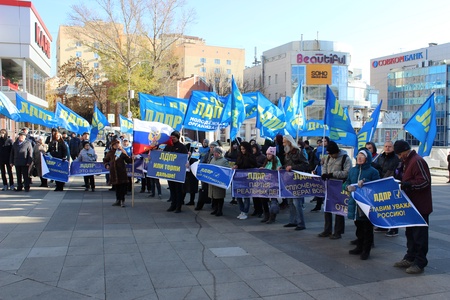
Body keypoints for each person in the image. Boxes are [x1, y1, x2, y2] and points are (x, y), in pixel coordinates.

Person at [392, 140, 432, 274]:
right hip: (410, 205)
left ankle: (420, 261)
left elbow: (425, 181)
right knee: (410, 234)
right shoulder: (406, 162)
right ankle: (410, 257)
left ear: (405, 151)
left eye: (400, 154)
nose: (399, 157)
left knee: (419, 235)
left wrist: (409, 185)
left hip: (420, 206)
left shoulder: (417, 161)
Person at [345, 148, 380, 260]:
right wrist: (346, 187)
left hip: (366, 204)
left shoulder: (373, 171)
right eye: (358, 156)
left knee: (367, 228)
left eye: (362, 156)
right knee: (358, 227)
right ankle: (359, 247)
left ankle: (366, 250)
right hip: (355, 203)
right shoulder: (353, 170)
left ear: (367, 158)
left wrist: (366, 184)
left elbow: (377, 187)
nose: (359, 158)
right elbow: (347, 182)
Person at [318, 141, 352, 239]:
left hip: (339, 184)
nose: (331, 156)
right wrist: (324, 174)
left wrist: (333, 174)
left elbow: (347, 172)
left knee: (339, 209)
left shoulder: (345, 158)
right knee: (327, 208)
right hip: (329, 185)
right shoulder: (328, 157)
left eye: (332, 154)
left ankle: (338, 231)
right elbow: (325, 167)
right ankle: (327, 229)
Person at [372, 140, 402, 237]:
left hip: (390, 184)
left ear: (393, 148)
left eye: (389, 146)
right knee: (382, 206)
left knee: (392, 207)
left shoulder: (396, 158)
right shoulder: (380, 157)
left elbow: (395, 171)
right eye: (385, 146)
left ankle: (394, 228)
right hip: (380, 183)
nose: (387, 148)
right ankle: (383, 225)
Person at [282, 135, 310, 231]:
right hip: (290, 180)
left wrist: (292, 168)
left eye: (284, 142)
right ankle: (292, 221)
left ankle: (301, 223)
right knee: (290, 202)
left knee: (297, 202)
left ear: (289, 142)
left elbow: (306, 165)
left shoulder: (298, 152)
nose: (283, 144)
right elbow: (287, 164)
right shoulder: (287, 153)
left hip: (297, 180)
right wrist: (282, 167)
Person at [233, 141, 257, 220]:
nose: (242, 151)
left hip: (247, 179)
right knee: (238, 196)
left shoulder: (251, 156)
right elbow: (237, 163)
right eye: (241, 149)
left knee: (246, 196)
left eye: (244, 149)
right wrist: (236, 166)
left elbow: (253, 165)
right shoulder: (239, 156)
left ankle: (245, 211)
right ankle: (242, 210)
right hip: (239, 179)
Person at [103, 139, 131, 207]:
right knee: (117, 187)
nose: (116, 145)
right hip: (114, 172)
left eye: (117, 144)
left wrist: (132, 158)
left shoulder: (122, 152)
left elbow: (128, 160)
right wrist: (106, 164)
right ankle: (118, 200)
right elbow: (105, 160)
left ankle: (122, 200)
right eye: (115, 144)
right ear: (112, 145)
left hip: (121, 172)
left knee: (122, 187)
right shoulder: (110, 152)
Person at [165, 131, 188, 213]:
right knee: (172, 190)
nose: (172, 139)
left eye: (174, 137)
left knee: (178, 190)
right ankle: (173, 205)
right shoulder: (168, 146)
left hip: (178, 173)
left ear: (178, 137)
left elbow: (185, 158)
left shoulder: (182, 147)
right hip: (170, 172)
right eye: (171, 137)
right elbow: (162, 156)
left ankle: (178, 206)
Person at [260, 146, 282, 223]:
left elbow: (277, 172)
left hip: (274, 185)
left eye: (269, 154)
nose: (267, 156)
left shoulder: (277, 162)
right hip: (266, 184)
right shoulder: (267, 162)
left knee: (273, 200)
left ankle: (272, 217)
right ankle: (266, 215)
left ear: (273, 154)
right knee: (264, 200)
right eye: (267, 154)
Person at [208, 147, 230, 216]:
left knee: (219, 197)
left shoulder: (224, 161)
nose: (215, 154)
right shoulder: (212, 159)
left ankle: (220, 210)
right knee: (214, 197)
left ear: (220, 153)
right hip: (212, 182)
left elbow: (227, 170)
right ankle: (215, 209)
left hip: (219, 182)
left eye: (216, 152)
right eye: (214, 152)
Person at [310, 137, 329, 212]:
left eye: (325, 141)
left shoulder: (329, 150)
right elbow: (314, 160)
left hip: (326, 171)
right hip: (319, 170)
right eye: (322, 141)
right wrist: (316, 166)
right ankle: (318, 205)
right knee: (318, 188)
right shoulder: (318, 150)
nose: (323, 142)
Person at [251, 143, 266, 217]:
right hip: (253, 177)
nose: (253, 150)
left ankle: (260, 210)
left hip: (260, 178)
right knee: (254, 195)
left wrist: (257, 164)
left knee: (259, 195)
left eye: (254, 148)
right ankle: (256, 209)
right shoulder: (252, 156)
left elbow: (264, 165)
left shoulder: (262, 157)